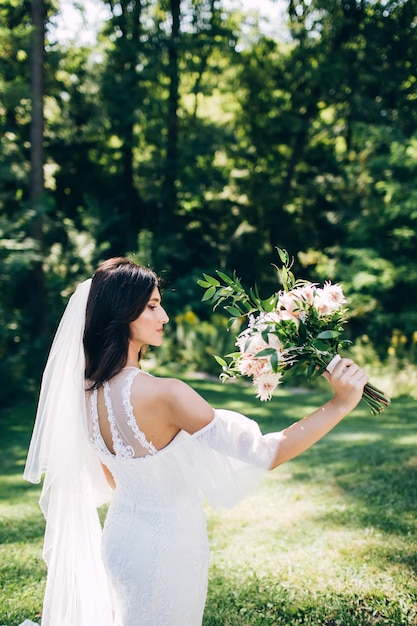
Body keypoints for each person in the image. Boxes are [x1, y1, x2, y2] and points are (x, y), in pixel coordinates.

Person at [23, 257, 368, 626]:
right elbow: (268, 453)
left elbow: (112, 475)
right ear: (123, 312)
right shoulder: (166, 394)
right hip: (170, 548)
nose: (165, 317)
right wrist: (340, 403)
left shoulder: (86, 392)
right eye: (153, 306)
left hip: (120, 541)